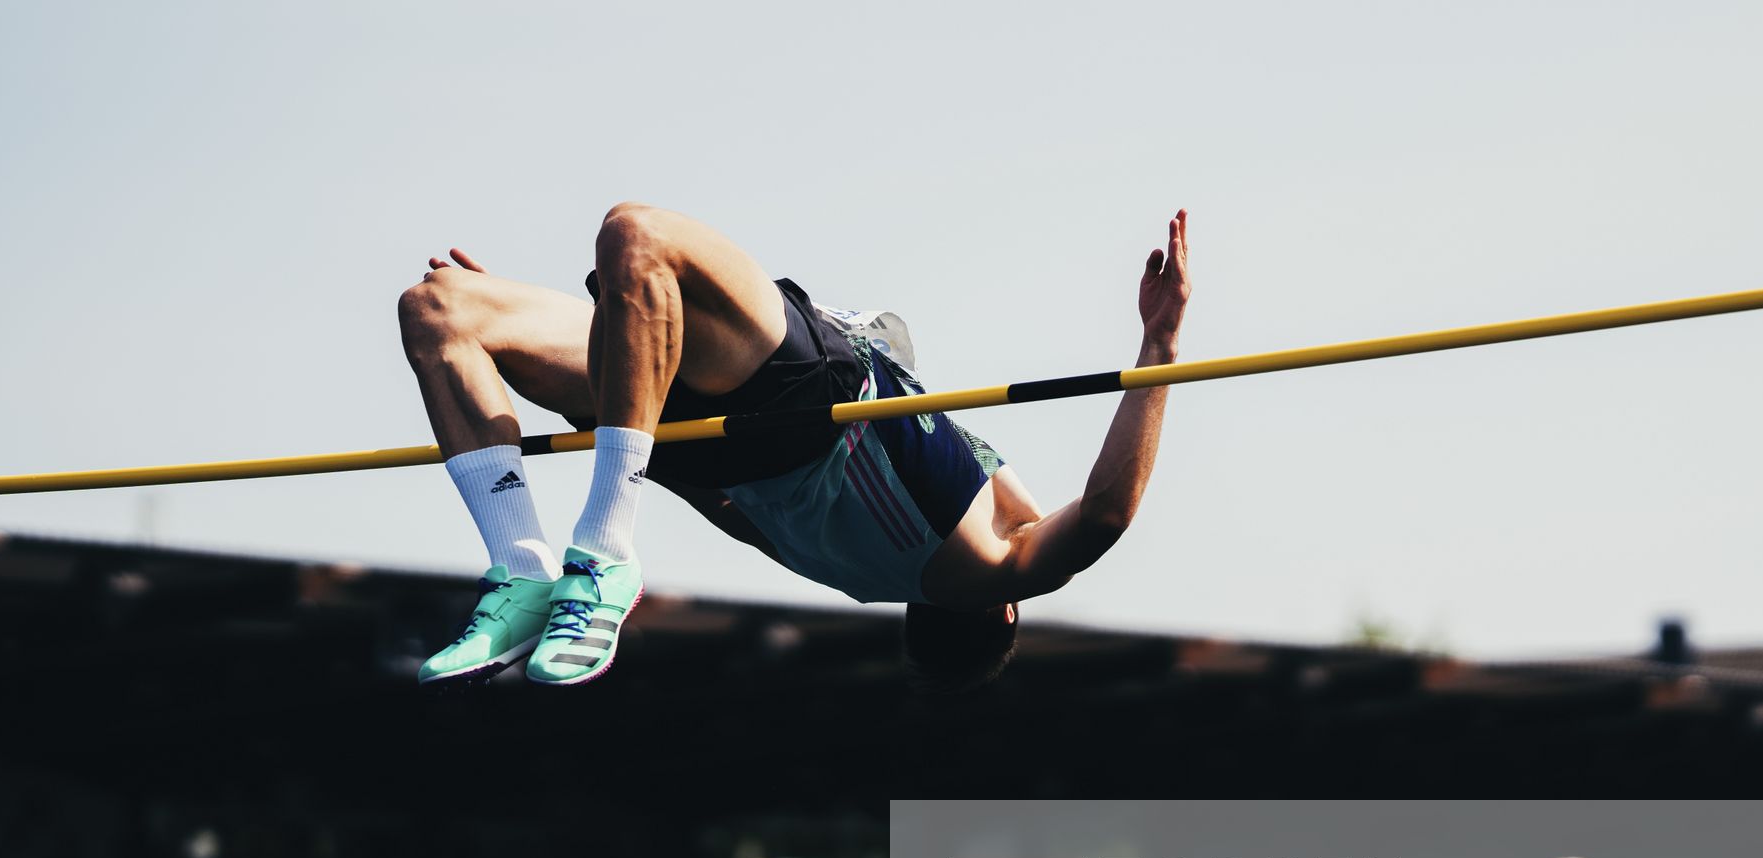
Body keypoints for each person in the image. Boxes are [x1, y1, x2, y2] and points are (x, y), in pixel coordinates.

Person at [398, 204, 1192, 691]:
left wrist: (1159, 343)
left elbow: (1106, 516)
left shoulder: (987, 566)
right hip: (704, 431)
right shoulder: (858, 561)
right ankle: (526, 576)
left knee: (635, 233)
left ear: (1004, 612)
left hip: (803, 390)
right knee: (445, 310)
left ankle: (601, 554)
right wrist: (614, 343)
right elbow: (717, 498)